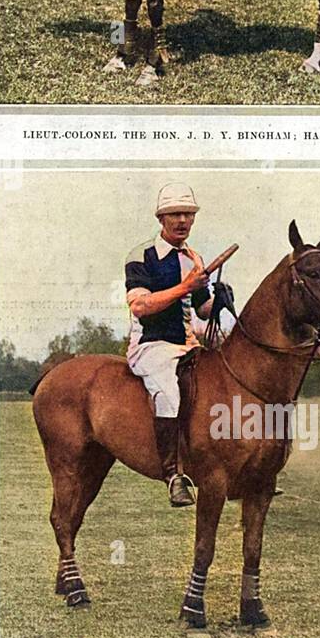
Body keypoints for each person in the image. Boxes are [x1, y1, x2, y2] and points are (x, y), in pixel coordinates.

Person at [125, 183, 214, 507]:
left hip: (188, 344)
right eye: (175, 214)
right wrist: (185, 286)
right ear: (161, 218)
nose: (182, 221)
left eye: (188, 214)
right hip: (151, 345)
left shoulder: (195, 257)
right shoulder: (142, 255)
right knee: (170, 395)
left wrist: (217, 300)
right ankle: (172, 476)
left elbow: (202, 308)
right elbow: (140, 306)